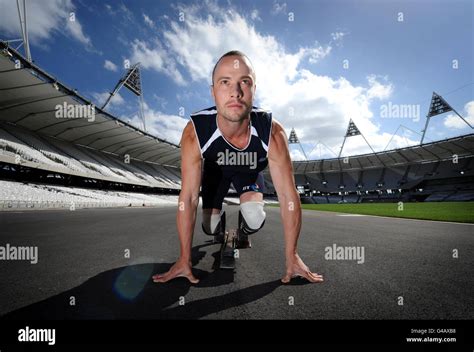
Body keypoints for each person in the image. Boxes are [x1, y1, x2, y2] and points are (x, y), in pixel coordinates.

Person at [152, 50, 323, 284]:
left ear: (254, 89)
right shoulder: (195, 131)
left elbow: (288, 195)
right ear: (213, 92)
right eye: (225, 82)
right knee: (209, 227)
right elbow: (189, 197)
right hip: (216, 174)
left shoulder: (272, 131)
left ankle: (242, 230)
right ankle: (219, 227)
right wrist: (184, 257)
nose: (236, 92)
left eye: (245, 81)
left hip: (248, 172)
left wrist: (292, 255)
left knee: (254, 217)